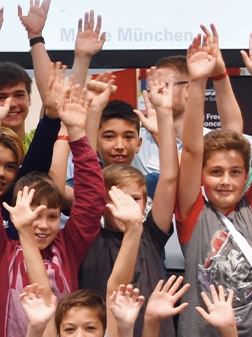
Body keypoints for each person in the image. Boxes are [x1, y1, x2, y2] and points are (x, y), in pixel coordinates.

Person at [0, 78, 105, 337]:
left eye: (52, 216)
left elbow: (91, 202)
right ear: (16, 212)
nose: (43, 225)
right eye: (34, 215)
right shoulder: (0, 253)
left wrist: (77, 133)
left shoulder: (68, 247)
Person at [176, 32, 252, 337]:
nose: (226, 181)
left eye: (235, 172)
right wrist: (198, 82)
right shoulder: (193, 213)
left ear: (245, 175)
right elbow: (194, 148)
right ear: (201, 176)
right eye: (216, 172)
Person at [77, 74, 180, 337]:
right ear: (101, 202)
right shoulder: (87, 235)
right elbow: (86, 173)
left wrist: (165, 116)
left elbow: (170, 177)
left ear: (146, 202)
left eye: (134, 199)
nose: (126, 206)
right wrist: (95, 109)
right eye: (115, 198)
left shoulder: (150, 233)